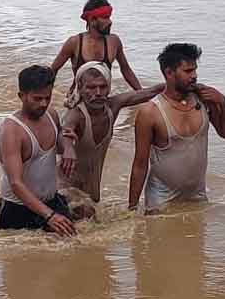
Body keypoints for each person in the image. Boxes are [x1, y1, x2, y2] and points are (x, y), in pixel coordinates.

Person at [128, 43, 225, 213]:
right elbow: (140, 164)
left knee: (196, 239)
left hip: (197, 195)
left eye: (194, 70)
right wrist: (132, 209)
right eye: (187, 71)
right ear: (169, 73)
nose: (194, 76)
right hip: (161, 197)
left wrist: (223, 102)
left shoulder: (204, 100)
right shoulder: (150, 112)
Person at [59, 61, 165, 205]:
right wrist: (68, 148)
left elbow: (148, 93)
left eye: (102, 87)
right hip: (65, 187)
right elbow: (66, 130)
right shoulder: (76, 114)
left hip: (91, 190)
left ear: (108, 88)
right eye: (91, 87)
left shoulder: (113, 106)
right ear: (80, 89)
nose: (97, 93)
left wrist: (186, 85)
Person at [0, 65, 78, 236]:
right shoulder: (12, 130)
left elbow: (62, 136)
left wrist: (68, 148)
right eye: (37, 98)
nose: (43, 104)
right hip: (17, 209)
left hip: (51, 201)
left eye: (47, 98)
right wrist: (50, 216)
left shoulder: (51, 114)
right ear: (22, 96)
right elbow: (16, 183)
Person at [49, 0, 143, 107]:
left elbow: (126, 69)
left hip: (102, 98)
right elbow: (53, 70)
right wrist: (46, 96)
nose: (110, 22)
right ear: (92, 20)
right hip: (78, 100)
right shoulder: (75, 42)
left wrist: (142, 94)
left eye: (109, 17)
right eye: (105, 17)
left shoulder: (114, 42)